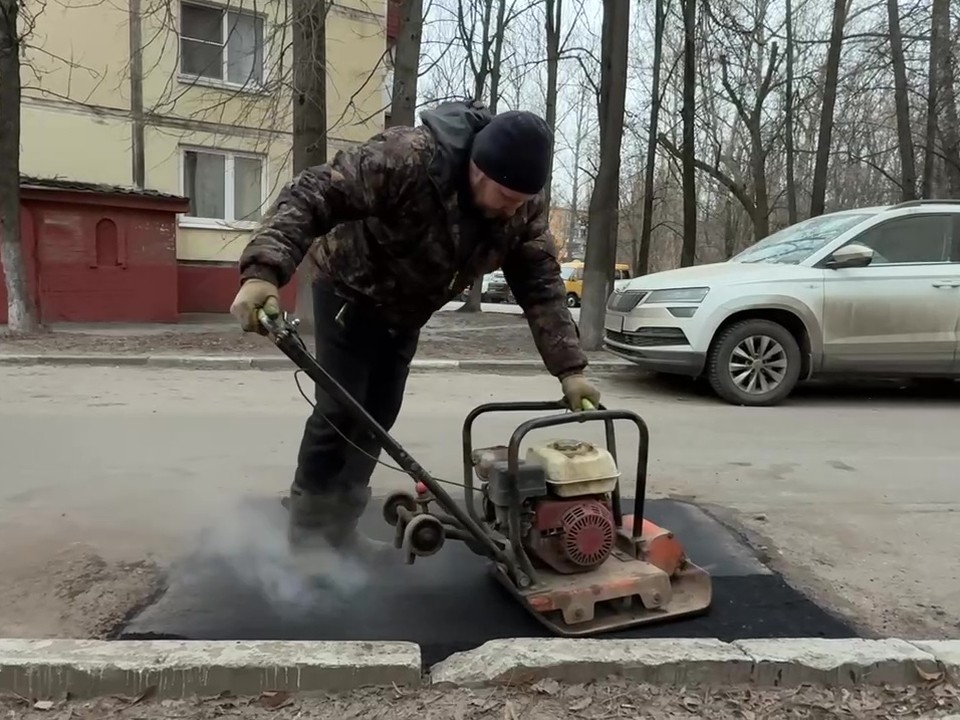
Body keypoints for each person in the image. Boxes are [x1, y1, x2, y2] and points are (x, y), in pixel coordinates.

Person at [229, 99, 601, 564]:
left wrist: (571, 370)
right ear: (479, 171)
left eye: (522, 203)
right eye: (506, 199)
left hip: (406, 311)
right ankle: (305, 540)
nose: (512, 212)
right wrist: (264, 271)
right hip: (350, 290)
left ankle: (339, 529)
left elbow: (542, 287)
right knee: (341, 411)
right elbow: (313, 193)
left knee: (378, 417)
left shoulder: (523, 210)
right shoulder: (407, 158)